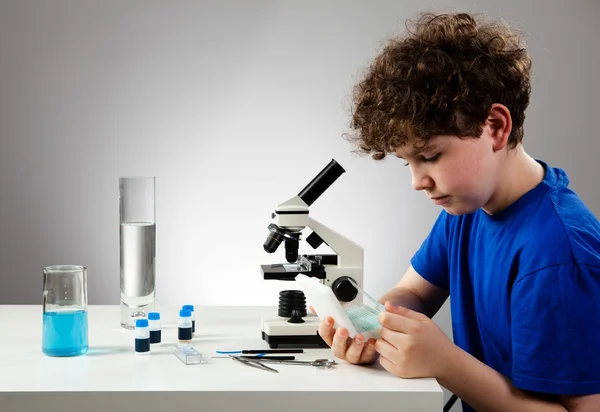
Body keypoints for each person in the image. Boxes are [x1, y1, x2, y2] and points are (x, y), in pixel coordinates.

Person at [318, 11, 600, 412]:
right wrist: (373, 328)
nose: (418, 181)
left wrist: (445, 362)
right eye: (408, 163)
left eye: (430, 156)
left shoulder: (558, 255)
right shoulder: (466, 209)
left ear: (497, 127)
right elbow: (414, 291)